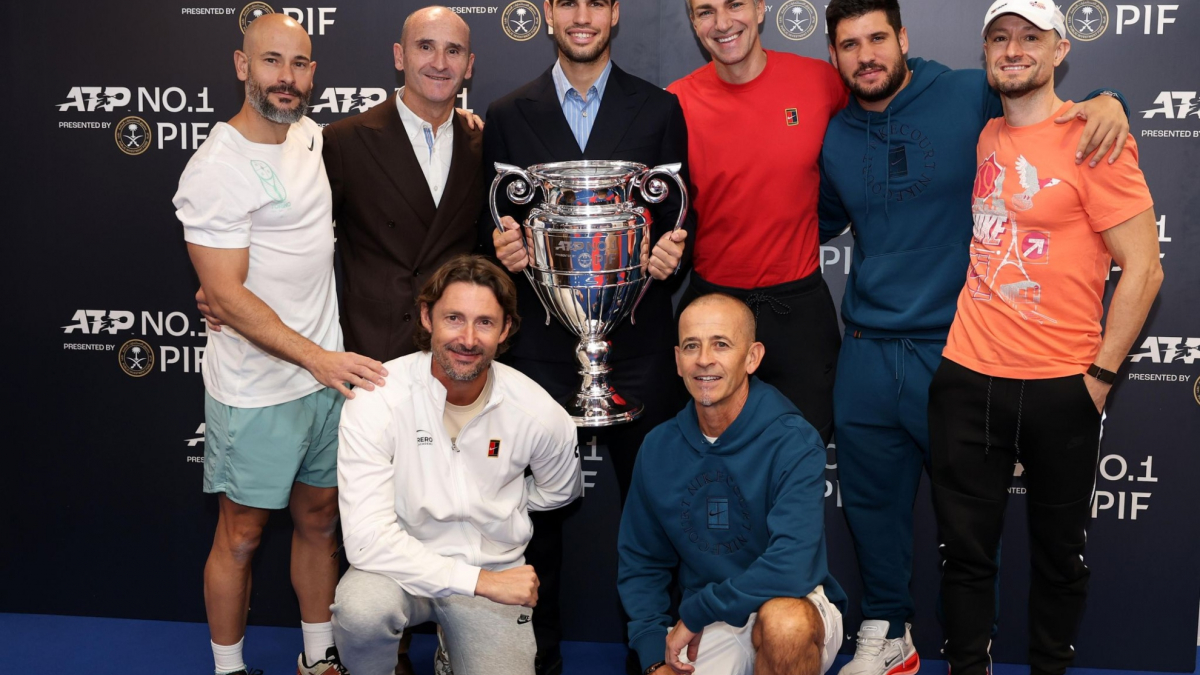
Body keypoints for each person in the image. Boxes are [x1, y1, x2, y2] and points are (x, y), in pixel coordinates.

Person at [815, 1, 1131, 672]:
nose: (866, 54)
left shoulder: (967, 90)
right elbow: (815, 218)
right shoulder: (835, 136)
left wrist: (1115, 99)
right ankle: (887, 627)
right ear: (835, 56)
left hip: (956, 348)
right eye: (849, 45)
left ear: (903, 37)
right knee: (871, 506)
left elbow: (1048, 102)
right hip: (867, 348)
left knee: (969, 533)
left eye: (878, 37)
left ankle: (978, 651)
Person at [930, 3, 1162, 674]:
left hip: (1062, 384)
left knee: (1059, 554)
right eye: (1000, 38)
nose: (1013, 50)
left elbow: (1144, 268)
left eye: (1030, 38)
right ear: (985, 54)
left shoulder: (1097, 137)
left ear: (1060, 49)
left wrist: (1098, 381)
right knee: (965, 554)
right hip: (967, 376)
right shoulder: (989, 137)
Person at [173, 14, 386, 675]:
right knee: (241, 535)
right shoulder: (215, 166)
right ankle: (228, 667)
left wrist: (460, 124)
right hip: (257, 389)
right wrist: (317, 355)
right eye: (271, 62)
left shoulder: (313, 140)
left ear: (313, 74)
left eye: (298, 65)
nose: (285, 78)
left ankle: (320, 657)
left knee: (321, 520)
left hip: (324, 381)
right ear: (243, 66)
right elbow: (227, 295)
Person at [483, 1, 692, 671]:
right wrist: (505, 253)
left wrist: (670, 257)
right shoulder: (509, 113)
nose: (582, 15)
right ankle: (533, 660)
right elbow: (491, 229)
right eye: (567, 1)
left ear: (614, 13)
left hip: (637, 345)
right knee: (532, 526)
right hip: (542, 351)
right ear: (547, 13)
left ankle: (652, 659)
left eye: (595, 2)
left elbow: (678, 221)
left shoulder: (659, 110)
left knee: (654, 520)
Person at [331, 254, 582, 675]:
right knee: (360, 610)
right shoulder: (379, 399)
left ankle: (456, 651)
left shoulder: (538, 411)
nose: (467, 338)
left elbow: (560, 491)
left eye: (484, 322)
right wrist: (479, 581)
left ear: (505, 330)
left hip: (493, 573)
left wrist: (503, 513)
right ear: (427, 317)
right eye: (453, 318)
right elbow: (367, 542)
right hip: (400, 569)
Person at [618, 293, 846, 675]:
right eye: (692, 346)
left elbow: (791, 566)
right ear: (677, 361)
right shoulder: (659, 446)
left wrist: (695, 612)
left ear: (752, 357)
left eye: (721, 344)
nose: (704, 359)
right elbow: (641, 562)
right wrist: (653, 657)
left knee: (784, 624)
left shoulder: (793, 439)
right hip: (712, 618)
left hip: (795, 602)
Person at [669, 0, 845, 445]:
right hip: (713, 308)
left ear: (761, 8)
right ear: (692, 23)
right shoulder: (675, 103)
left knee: (802, 461)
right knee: (714, 466)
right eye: (706, 11)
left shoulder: (820, 81)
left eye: (735, 5)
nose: (723, 23)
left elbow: (881, 110)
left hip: (798, 312)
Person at [323, 6, 485, 363]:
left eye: (453, 51)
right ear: (400, 56)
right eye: (425, 47)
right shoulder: (345, 141)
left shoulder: (483, 143)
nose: (440, 63)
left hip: (459, 350)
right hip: (375, 352)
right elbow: (304, 242)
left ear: (469, 65)